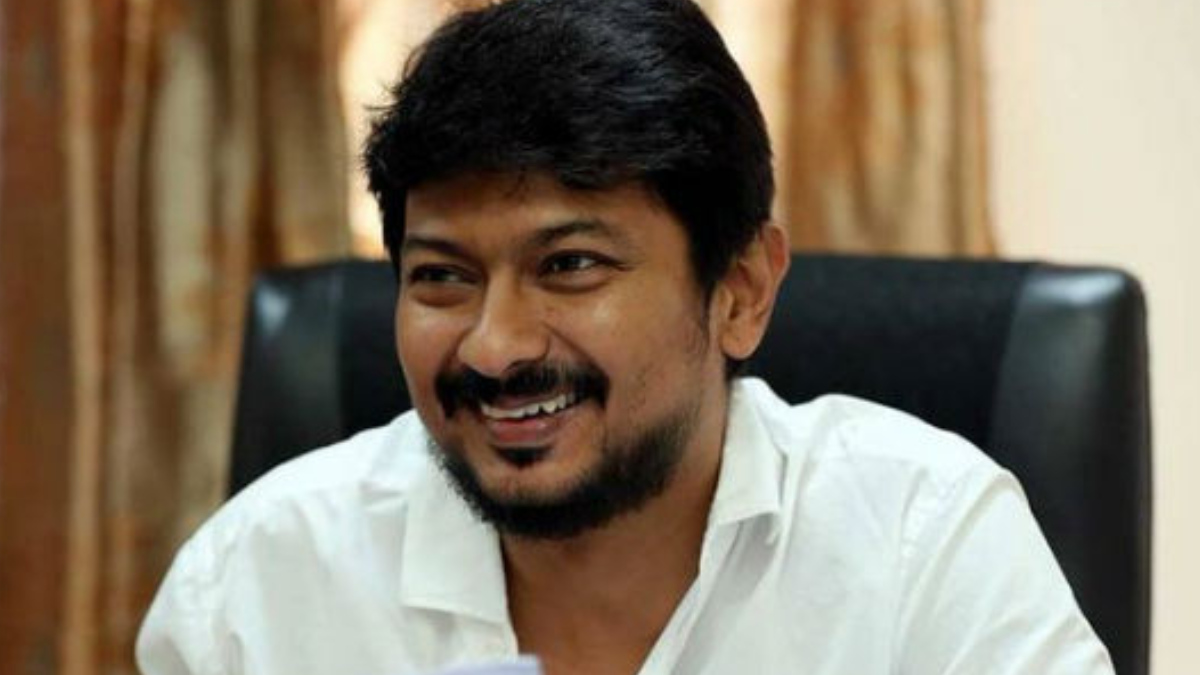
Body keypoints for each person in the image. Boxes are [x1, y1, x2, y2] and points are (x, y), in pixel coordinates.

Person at [137, 0, 1115, 673]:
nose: (494, 348)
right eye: (442, 278)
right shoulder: (257, 589)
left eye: (570, 265)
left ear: (740, 290)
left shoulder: (924, 545)